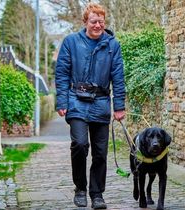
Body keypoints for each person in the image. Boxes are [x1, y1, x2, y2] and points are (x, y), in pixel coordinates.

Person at [55, 3, 125, 209]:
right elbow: (61, 74)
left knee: (100, 152)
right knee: (79, 144)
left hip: (101, 103)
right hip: (76, 101)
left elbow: (118, 77)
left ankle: (97, 194)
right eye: (94, 21)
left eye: (101, 22)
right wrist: (62, 101)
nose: (98, 25)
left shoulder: (113, 45)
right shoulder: (71, 42)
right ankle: (80, 188)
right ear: (85, 21)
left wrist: (119, 106)